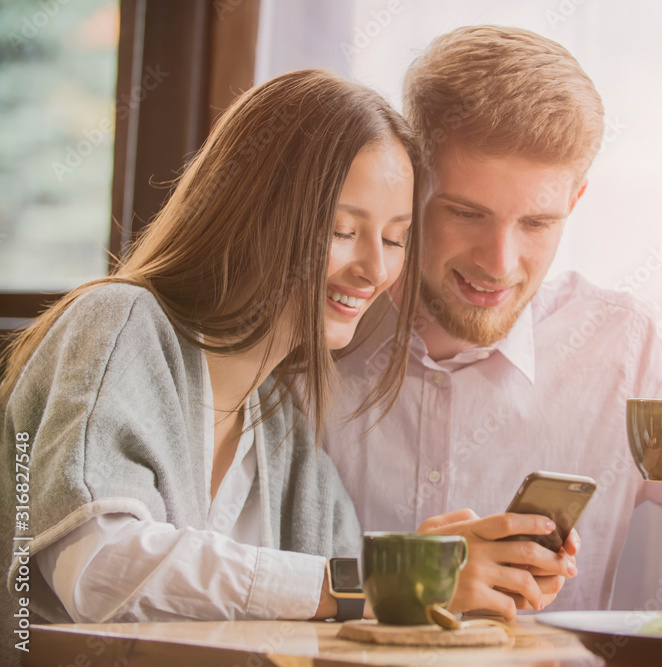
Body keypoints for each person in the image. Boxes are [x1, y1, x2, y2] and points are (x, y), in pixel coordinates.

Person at [320, 26, 662, 619]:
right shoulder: (312, 327)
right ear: (409, 186)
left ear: (574, 202)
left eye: (536, 223)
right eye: (466, 213)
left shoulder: (621, 349)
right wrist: (405, 580)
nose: (499, 263)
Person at [1, 69, 543, 640]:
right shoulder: (120, 323)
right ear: (253, 212)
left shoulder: (282, 428)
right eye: (341, 230)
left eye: (393, 238)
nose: (375, 270)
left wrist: (425, 576)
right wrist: (372, 584)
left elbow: (343, 600)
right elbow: (100, 570)